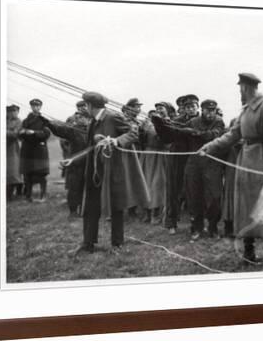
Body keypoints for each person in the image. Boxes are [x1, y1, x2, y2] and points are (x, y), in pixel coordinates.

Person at [199, 73, 263, 262]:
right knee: (246, 206)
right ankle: (249, 252)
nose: (240, 93)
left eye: (241, 88)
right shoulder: (244, 111)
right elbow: (232, 135)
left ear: (247, 88)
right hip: (246, 161)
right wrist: (209, 146)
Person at [42, 92, 150, 254]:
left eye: (85, 105)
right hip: (95, 170)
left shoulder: (113, 117)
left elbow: (133, 133)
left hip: (114, 170)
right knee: (90, 206)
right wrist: (74, 160)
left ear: (90, 105)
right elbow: (92, 148)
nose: (83, 108)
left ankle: (117, 244)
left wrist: (116, 140)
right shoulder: (93, 121)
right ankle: (88, 244)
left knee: (116, 206)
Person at [154, 99, 225, 239]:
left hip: (212, 163)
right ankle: (196, 228)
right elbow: (175, 133)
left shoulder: (218, 121)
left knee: (214, 197)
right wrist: (161, 124)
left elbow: (214, 135)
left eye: (212, 110)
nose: (210, 113)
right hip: (193, 163)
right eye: (207, 110)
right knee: (193, 197)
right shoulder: (193, 121)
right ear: (202, 110)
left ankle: (212, 227)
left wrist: (195, 133)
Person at [153, 94, 200, 234]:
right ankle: (171, 223)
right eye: (186, 107)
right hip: (177, 158)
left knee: (194, 192)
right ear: (183, 109)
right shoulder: (176, 120)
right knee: (173, 191)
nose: (189, 109)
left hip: (195, 159)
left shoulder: (201, 121)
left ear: (197, 106)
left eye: (192, 106)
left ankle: (195, 224)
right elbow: (167, 138)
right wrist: (159, 125)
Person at [138, 102, 170, 224]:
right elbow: (141, 140)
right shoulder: (148, 123)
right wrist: (141, 131)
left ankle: (156, 213)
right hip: (148, 155)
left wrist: (156, 125)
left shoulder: (169, 122)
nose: (158, 111)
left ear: (167, 110)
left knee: (158, 185)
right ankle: (146, 212)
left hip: (161, 155)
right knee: (146, 183)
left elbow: (164, 139)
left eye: (161, 108)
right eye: (157, 109)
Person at [60, 100, 90, 217]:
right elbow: (64, 140)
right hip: (74, 158)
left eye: (85, 106)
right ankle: (73, 210)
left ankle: (83, 208)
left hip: (86, 160)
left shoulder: (90, 124)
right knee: (74, 186)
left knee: (84, 185)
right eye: (81, 107)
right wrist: (69, 155)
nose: (83, 109)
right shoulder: (72, 123)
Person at [19, 99, 51, 202]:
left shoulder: (44, 120)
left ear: (41, 107)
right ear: (31, 107)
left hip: (39, 150)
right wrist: (23, 132)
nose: (35, 108)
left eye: (37, 106)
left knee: (41, 174)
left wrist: (33, 132)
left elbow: (46, 134)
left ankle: (43, 195)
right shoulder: (26, 120)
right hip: (28, 149)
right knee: (27, 174)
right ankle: (28, 196)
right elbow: (20, 134)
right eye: (33, 106)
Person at [6, 104, 23, 200]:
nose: (13, 113)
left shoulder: (18, 121)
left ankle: (12, 194)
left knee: (13, 171)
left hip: (13, 148)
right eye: (11, 111)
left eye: (15, 111)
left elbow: (15, 134)